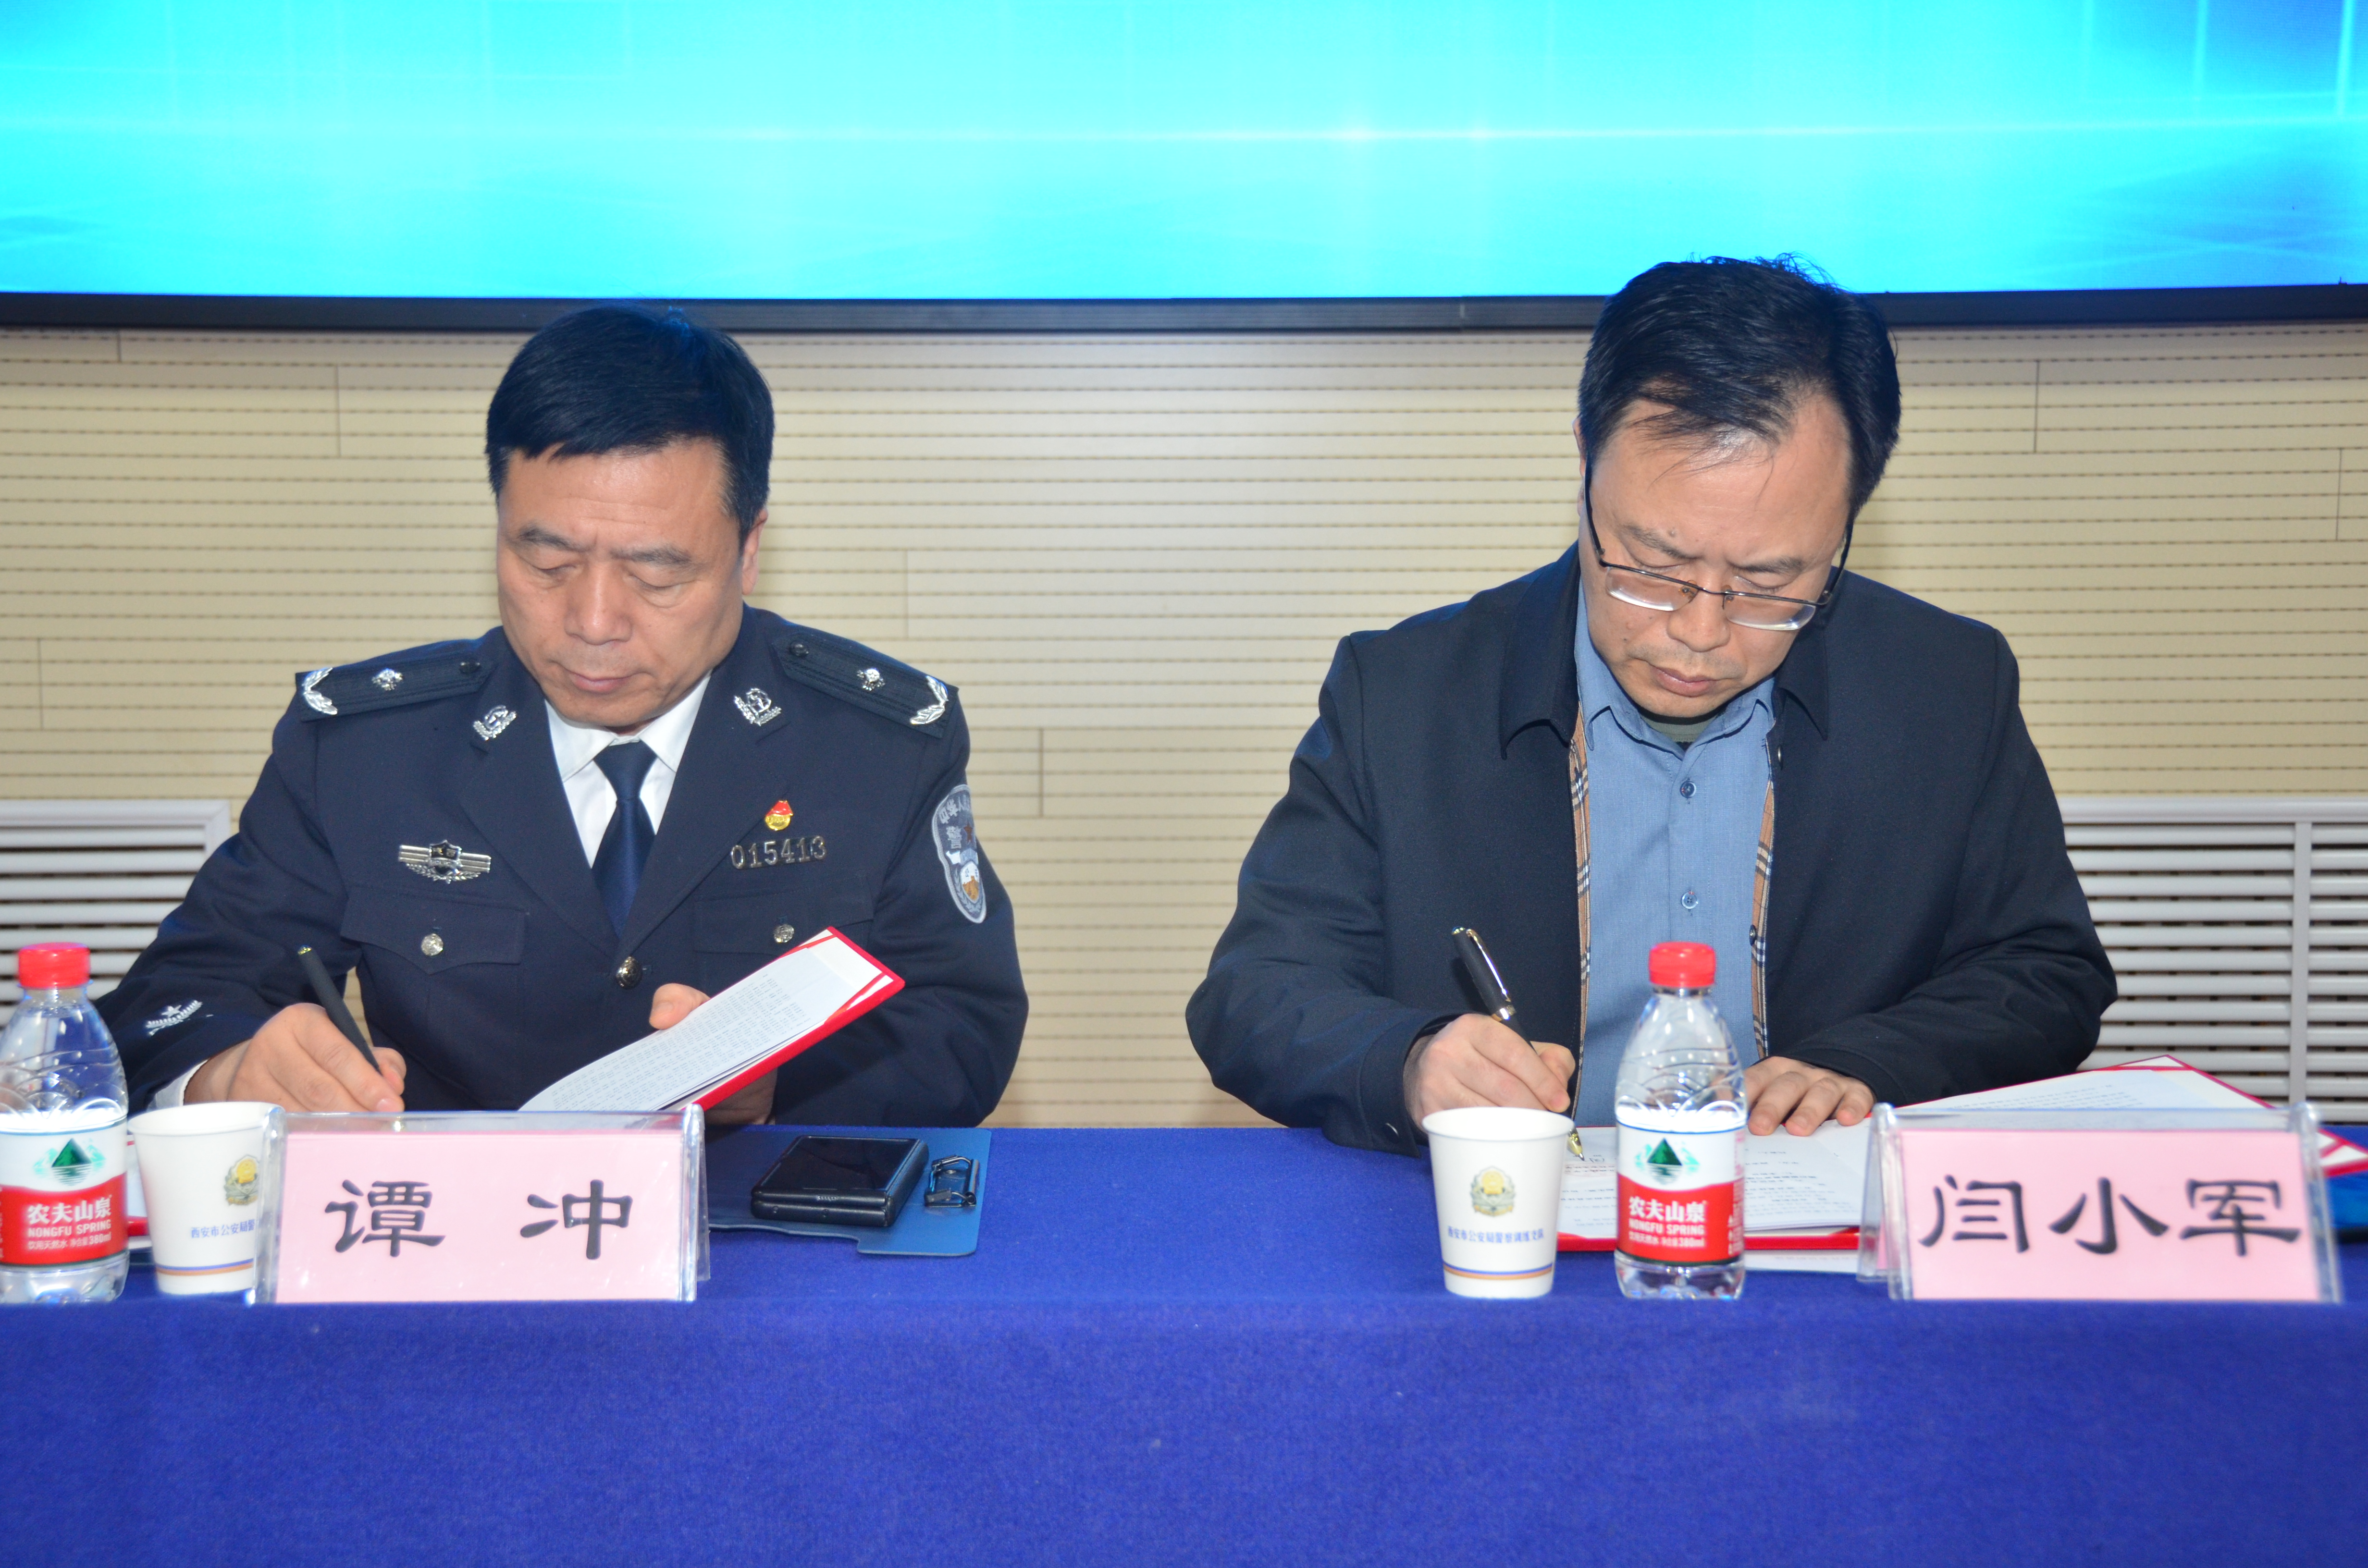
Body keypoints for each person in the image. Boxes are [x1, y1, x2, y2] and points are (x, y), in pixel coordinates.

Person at [1187, 257, 2114, 1154]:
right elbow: (1256, 993)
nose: (1700, 632)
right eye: (1653, 566)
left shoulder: (1948, 686)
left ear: (1846, 526)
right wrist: (1411, 1061)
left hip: (1810, 1221)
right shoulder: (1403, 694)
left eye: (1769, 583)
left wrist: (1869, 1063)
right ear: (1585, 459)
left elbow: (2044, 975)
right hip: (1511, 1213)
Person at [102, 305, 1027, 1126]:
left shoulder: (874, 746)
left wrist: (780, 1085)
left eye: (656, 573)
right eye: (545, 563)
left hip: (752, 1234)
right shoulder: (364, 750)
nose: (592, 623)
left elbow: (962, 1022)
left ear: (748, 550)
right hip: (457, 1234)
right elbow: (172, 1000)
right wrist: (227, 1074)